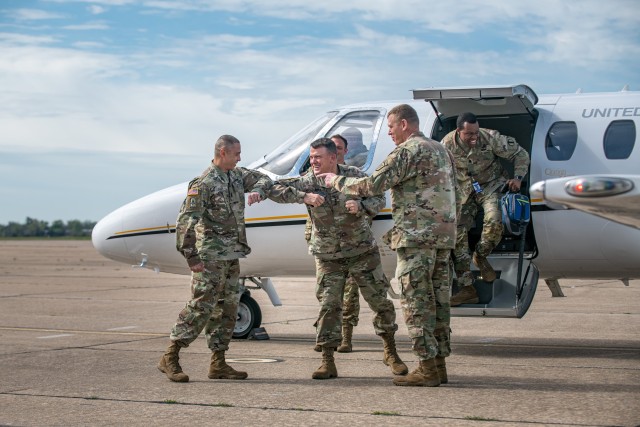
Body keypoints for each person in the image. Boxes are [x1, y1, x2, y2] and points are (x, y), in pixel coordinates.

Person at [319, 104, 459, 387]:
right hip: (442, 240)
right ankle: (439, 365)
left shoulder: (408, 151)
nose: (391, 133)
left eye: (392, 127)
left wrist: (336, 181)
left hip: (416, 238)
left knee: (416, 303)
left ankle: (426, 368)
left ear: (405, 124)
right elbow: (460, 189)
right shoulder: (442, 150)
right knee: (438, 304)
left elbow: (373, 184)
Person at [269, 137, 408, 380]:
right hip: (328, 256)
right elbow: (276, 189)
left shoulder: (354, 175)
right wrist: (305, 197)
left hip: (362, 252)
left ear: (333, 158)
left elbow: (378, 197)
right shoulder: (308, 181)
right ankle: (327, 361)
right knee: (328, 307)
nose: (313, 161)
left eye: (318, 157)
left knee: (380, 303)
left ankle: (391, 352)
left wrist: (362, 206)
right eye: (311, 157)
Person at [157, 134, 272, 383]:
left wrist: (260, 191)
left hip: (231, 255)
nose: (240, 158)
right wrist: (191, 257)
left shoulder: (237, 175)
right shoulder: (204, 183)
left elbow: (264, 178)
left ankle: (218, 363)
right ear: (222, 153)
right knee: (201, 307)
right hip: (209, 257)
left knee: (227, 309)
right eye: (236, 154)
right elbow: (186, 222)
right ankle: (170, 356)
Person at [442, 112, 530, 306]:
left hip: (491, 185)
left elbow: (520, 154)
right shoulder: (446, 145)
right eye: (469, 134)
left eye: (476, 132)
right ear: (459, 131)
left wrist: (518, 177)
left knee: (494, 220)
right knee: (456, 235)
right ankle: (467, 288)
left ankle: (480, 256)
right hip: (465, 191)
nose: (474, 137)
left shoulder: (490, 137)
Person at [310, 134, 361, 353]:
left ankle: (345, 337)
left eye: (339, 148)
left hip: (352, 245)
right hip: (327, 248)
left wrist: (361, 208)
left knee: (349, 295)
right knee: (326, 296)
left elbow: (372, 199)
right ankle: (326, 340)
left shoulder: (352, 177)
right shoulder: (314, 177)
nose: (337, 152)